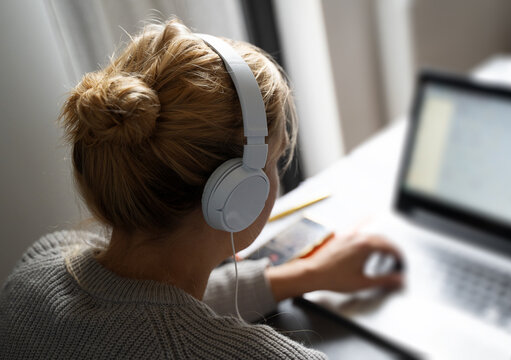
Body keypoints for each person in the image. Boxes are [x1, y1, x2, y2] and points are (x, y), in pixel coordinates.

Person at [0, 19, 403, 359]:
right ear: (237, 196)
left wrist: (305, 274)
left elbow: (145, 311)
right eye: (275, 160)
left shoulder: (39, 266)